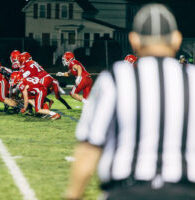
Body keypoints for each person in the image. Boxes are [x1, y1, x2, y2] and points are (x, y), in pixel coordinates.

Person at [65, 4, 195, 200]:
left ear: (134, 40)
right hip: (185, 191)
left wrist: (73, 195)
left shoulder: (116, 79)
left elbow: (90, 147)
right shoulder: (192, 80)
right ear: (177, 40)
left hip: (127, 191)